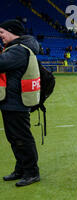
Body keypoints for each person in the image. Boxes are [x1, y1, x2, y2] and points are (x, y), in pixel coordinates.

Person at [0, 19, 41, 187]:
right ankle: (21, 169)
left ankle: (32, 172)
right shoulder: (16, 49)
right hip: (11, 101)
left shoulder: (18, 50)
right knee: (14, 138)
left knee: (22, 138)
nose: (0, 36)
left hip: (16, 102)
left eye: (2, 32)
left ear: (11, 32)